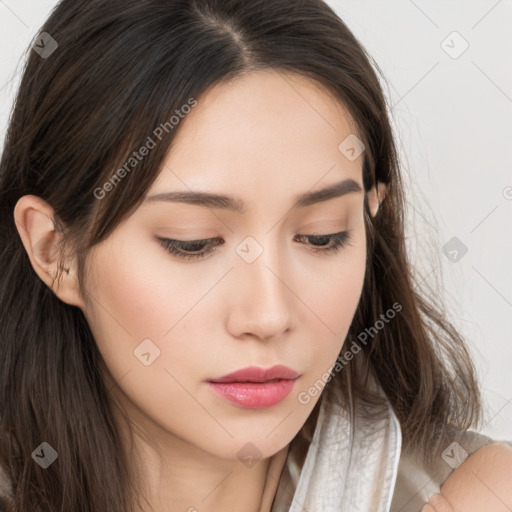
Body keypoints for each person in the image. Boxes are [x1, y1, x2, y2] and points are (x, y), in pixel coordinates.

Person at [0, 1, 511, 511]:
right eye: (192, 242)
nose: (269, 315)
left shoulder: (473, 496)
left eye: (321, 236)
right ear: (54, 250)